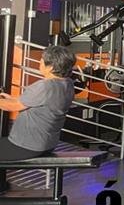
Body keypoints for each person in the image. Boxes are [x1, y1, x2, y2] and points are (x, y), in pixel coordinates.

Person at [0, 46, 76, 193]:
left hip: (26, 146)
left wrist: (10, 102)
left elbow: (12, 107)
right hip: (48, 144)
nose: (39, 63)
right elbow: (32, 102)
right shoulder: (67, 85)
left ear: (51, 67)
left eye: (42, 61)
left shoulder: (44, 86)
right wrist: (12, 98)